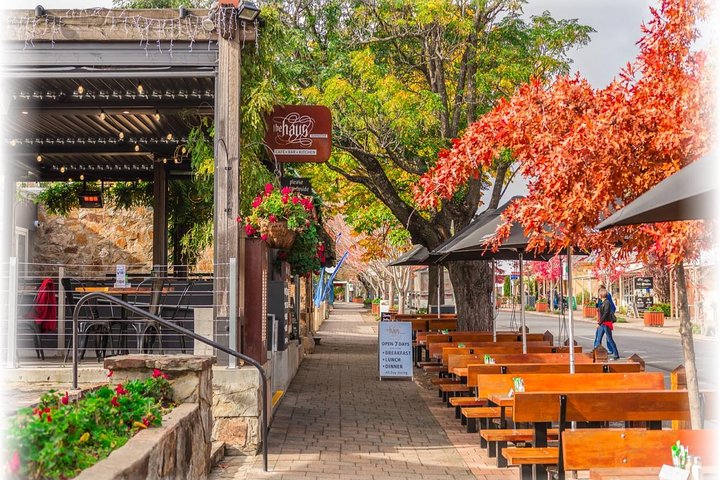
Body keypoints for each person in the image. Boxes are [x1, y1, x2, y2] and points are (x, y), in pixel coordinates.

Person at [594, 288, 619, 360]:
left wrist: (599, 323)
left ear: (601, 295)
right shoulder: (602, 302)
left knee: (610, 339)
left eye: (599, 294)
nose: (598, 295)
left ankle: (616, 354)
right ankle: (597, 354)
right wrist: (596, 303)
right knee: (599, 339)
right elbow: (599, 310)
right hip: (602, 324)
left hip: (606, 324)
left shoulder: (607, 302)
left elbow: (605, 314)